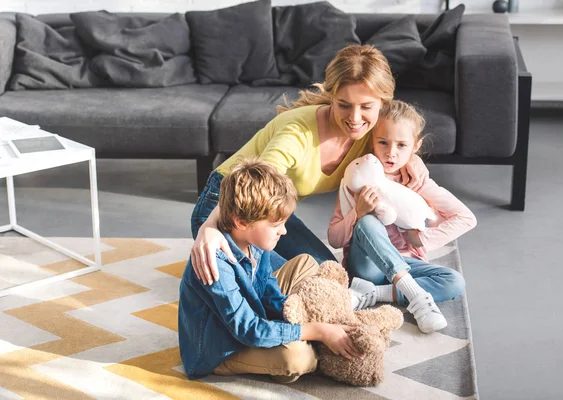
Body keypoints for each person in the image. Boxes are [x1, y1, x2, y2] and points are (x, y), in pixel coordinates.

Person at [190, 44, 430, 286]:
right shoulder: (297, 132)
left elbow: (400, 137)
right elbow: (253, 184)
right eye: (344, 105)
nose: (355, 119)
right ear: (332, 97)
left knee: (332, 277)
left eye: (366, 106)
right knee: (283, 286)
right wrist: (211, 226)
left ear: (383, 103)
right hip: (227, 204)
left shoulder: (372, 134)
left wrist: (411, 157)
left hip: (273, 214)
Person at [179, 159, 376, 383]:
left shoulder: (254, 242)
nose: (283, 231)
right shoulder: (216, 266)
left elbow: (268, 290)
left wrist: (301, 316)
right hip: (222, 348)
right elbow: (248, 330)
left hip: (252, 316)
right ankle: (307, 342)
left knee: (307, 263)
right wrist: (317, 331)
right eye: (275, 225)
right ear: (241, 222)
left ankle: (308, 332)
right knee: (298, 358)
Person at [328, 101, 477, 334]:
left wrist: (422, 239)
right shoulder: (357, 178)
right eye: (383, 142)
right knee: (368, 222)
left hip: (405, 263)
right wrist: (358, 212)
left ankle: (374, 293)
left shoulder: (417, 181)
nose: (391, 152)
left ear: (416, 146)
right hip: (367, 267)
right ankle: (415, 294)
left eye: (401, 145)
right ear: (371, 140)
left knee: (455, 282)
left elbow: (466, 218)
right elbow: (335, 239)